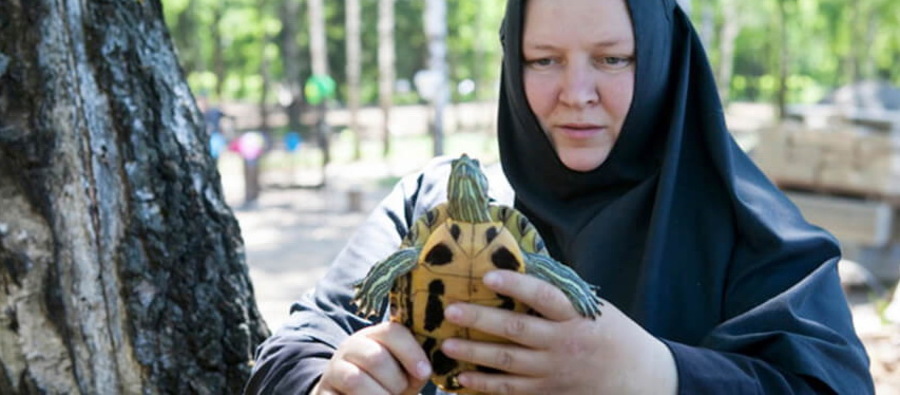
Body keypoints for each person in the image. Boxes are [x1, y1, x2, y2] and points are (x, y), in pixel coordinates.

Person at [244, 0, 874, 393]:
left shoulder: (754, 232)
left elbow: (831, 383)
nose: (576, 92)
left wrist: (656, 376)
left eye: (613, 59)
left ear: (660, 59)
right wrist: (332, 383)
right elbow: (295, 348)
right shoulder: (440, 198)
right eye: (543, 59)